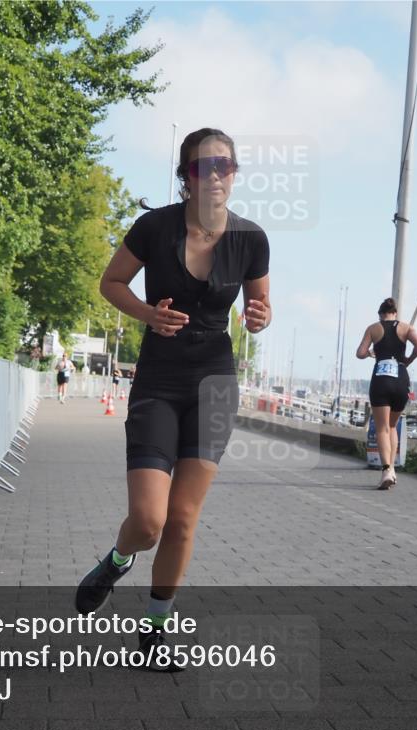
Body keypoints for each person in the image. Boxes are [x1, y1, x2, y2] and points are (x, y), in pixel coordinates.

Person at [75, 128, 271, 670]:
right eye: (201, 166)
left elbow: (261, 305)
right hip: (159, 382)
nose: (214, 175)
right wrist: (148, 315)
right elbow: (111, 282)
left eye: (224, 166)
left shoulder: (251, 239)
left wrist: (260, 317)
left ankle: (156, 631)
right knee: (148, 521)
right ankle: (116, 561)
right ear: (184, 177)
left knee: (183, 520)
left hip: (214, 383)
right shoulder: (153, 227)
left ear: (235, 173)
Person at [356, 298, 417, 489]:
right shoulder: (406, 328)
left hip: (381, 379)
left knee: (382, 428)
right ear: (395, 313)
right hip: (401, 377)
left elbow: (360, 353)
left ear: (380, 314)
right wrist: (408, 360)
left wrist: (370, 353)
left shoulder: (373, 328)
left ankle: (386, 470)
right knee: (392, 426)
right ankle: (392, 469)